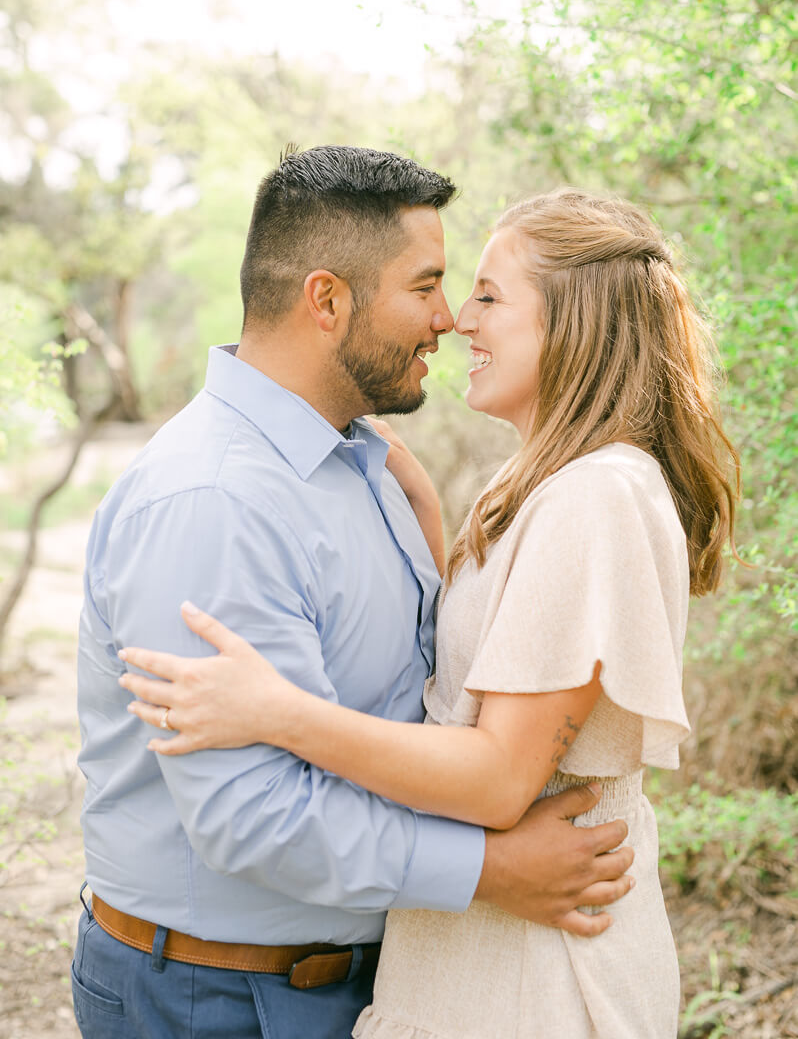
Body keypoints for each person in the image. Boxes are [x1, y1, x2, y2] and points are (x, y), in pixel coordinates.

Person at [119, 185, 740, 1038]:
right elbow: (494, 676)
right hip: (477, 953)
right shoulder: (534, 483)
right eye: (444, 288)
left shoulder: (597, 495)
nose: (458, 319)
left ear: (576, 318)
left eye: (487, 293)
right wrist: (443, 543)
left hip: (537, 966)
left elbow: (498, 775)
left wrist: (279, 713)